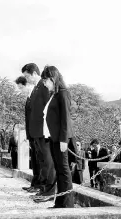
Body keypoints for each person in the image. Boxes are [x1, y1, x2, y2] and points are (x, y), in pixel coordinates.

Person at [40, 65, 74, 208]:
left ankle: (67, 204)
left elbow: (65, 119)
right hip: (53, 138)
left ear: (53, 79)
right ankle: (60, 202)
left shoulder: (63, 94)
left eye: (46, 81)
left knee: (64, 171)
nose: (44, 84)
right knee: (59, 171)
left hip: (61, 138)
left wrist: (63, 140)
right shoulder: (54, 94)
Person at [22, 63, 57, 200]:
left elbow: (48, 109)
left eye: (27, 76)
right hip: (36, 131)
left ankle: (48, 191)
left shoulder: (43, 86)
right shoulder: (37, 88)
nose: (26, 79)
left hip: (43, 131)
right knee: (42, 161)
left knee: (48, 162)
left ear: (34, 73)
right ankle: (43, 188)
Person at [15, 76, 41, 191]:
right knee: (34, 160)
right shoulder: (29, 97)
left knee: (38, 159)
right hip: (31, 133)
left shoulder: (35, 94)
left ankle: (39, 185)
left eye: (21, 88)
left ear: (25, 85)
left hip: (37, 132)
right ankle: (34, 184)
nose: (21, 91)